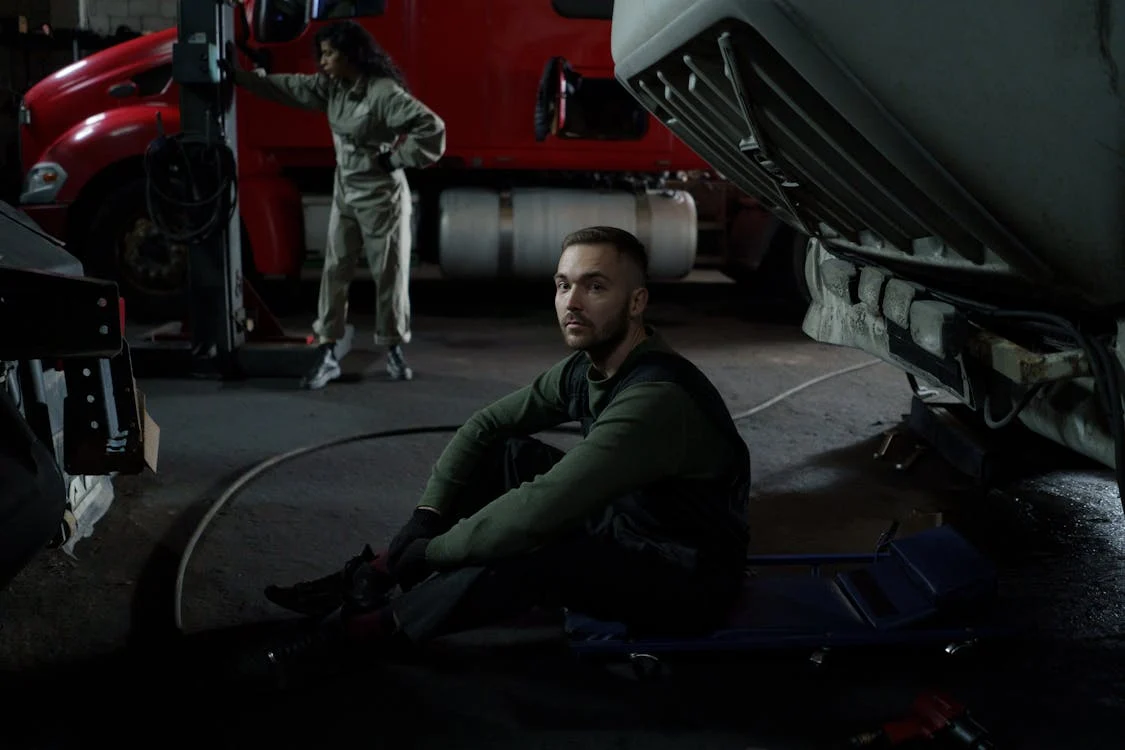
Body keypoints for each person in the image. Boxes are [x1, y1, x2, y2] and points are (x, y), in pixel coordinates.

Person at [260, 226, 752, 672]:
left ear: (637, 301)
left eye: (595, 287)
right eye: (563, 285)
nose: (572, 302)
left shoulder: (656, 399)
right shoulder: (589, 368)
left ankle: (369, 630)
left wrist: (433, 552)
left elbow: (539, 510)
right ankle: (375, 574)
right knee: (505, 452)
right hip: (632, 522)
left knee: (533, 545)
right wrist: (424, 520)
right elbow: (486, 425)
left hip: (682, 576)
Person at [225, 21, 446, 389]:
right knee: (334, 271)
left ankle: (392, 347)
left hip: (382, 197)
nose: (322, 61)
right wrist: (239, 77)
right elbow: (289, 87)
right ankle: (327, 351)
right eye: (322, 54)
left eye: (330, 54)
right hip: (345, 191)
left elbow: (432, 128)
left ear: (351, 55)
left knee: (388, 274)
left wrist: (396, 159)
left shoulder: (382, 93)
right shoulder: (332, 88)